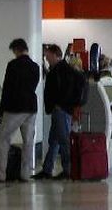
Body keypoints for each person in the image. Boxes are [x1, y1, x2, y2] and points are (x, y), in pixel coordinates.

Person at [0, 38, 41, 183]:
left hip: (15, 108)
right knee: (28, 142)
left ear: (17, 50)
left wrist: (2, 108)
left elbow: (8, 88)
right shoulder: (35, 67)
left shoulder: (13, 65)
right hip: (31, 107)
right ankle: (25, 175)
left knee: (2, 140)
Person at [34, 44, 82, 179]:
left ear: (56, 55)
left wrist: (60, 105)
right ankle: (47, 169)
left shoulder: (62, 70)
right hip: (59, 110)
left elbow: (65, 90)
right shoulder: (60, 69)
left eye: (48, 56)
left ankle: (68, 170)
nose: (47, 58)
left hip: (61, 110)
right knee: (54, 140)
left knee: (63, 140)